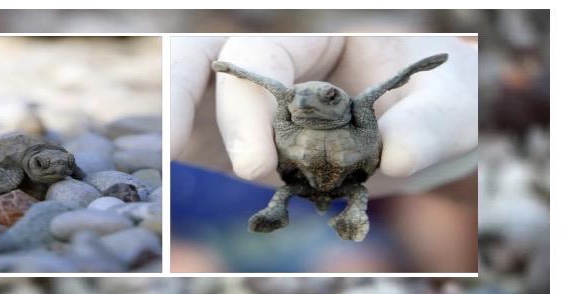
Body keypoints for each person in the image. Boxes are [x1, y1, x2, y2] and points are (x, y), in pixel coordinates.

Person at [171, 36, 479, 273]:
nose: (306, 102)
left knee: (357, 263)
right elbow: (273, 86)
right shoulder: (193, 107)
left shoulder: (360, 109)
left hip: (329, 233)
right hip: (200, 238)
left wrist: (460, 166)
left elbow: (382, 93)